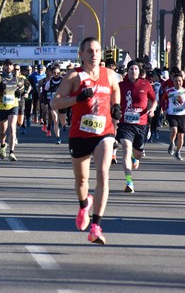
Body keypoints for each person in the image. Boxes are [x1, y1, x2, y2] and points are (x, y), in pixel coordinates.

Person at [51, 37, 121, 245]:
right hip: (80, 134)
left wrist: (115, 106)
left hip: (104, 133)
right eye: (90, 51)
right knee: (82, 181)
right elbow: (55, 103)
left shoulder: (109, 74)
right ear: (81, 54)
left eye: (97, 51)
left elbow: (116, 89)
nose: (94, 54)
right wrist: (77, 99)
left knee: (103, 174)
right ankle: (84, 204)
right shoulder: (74, 76)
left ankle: (96, 226)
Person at [116, 61, 156, 193]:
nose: (134, 71)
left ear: (139, 71)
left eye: (136, 69)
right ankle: (129, 181)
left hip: (141, 124)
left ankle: (135, 156)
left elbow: (154, 100)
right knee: (126, 149)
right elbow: (113, 100)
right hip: (125, 124)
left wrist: (152, 110)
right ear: (127, 71)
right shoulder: (121, 85)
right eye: (131, 69)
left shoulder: (146, 84)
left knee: (137, 155)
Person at [0, 59, 25, 162]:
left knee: (12, 128)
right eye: (6, 65)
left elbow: (22, 90)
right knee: (3, 131)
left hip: (13, 106)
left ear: (13, 67)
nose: (8, 67)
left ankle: (12, 153)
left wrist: (20, 92)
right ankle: (2, 146)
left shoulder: (17, 78)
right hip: (1, 106)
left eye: (10, 65)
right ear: (3, 66)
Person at [161, 73, 185, 161]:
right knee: (174, 130)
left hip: (182, 115)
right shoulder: (169, 91)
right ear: (173, 82)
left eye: (179, 81)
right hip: (171, 114)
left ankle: (178, 151)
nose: (178, 83)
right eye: (176, 81)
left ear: (182, 81)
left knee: (181, 136)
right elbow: (162, 100)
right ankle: (172, 143)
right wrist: (164, 109)